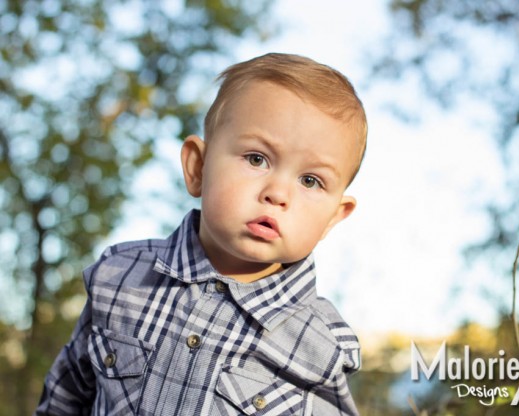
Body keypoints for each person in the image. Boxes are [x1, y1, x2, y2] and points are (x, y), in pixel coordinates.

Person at [36, 52, 367, 415]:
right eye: (257, 159)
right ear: (198, 167)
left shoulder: (319, 344)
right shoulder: (120, 276)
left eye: (310, 180)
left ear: (334, 217)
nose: (278, 194)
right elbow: (66, 395)